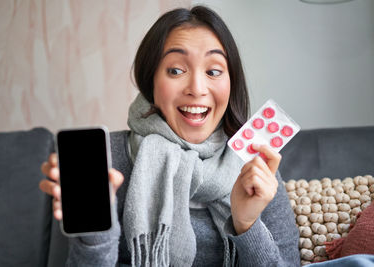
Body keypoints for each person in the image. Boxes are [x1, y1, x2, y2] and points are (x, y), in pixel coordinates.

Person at [39, 5, 300, 267]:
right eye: (176, 70)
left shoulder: (254, 166)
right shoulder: (108, 160)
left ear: (231, 83)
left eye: (213, 71)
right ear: (150, 80)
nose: (197, 89)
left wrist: (246, 224)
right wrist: (96, 230)